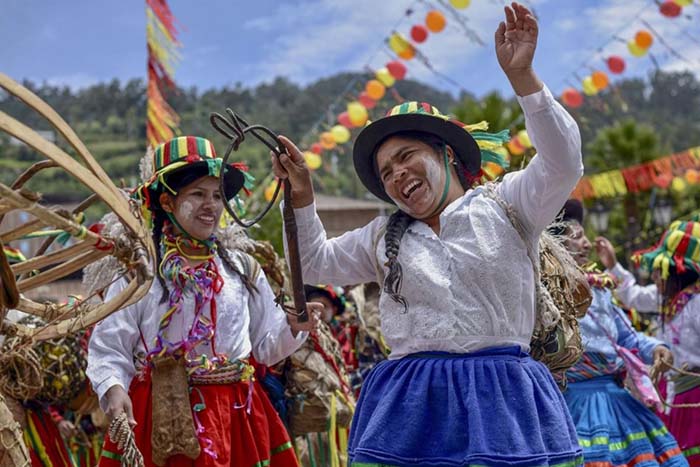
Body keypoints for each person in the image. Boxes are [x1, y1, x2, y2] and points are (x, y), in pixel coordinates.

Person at [272, 3, 587, 465]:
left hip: (505, 402)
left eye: (407, 156)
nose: (397, 175)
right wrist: (301, 194)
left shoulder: (509, 204)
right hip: (410, 410)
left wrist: (524, 79)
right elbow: (315, 262)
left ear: (445, 154)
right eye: (386, 172)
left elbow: (563, 162)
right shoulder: (381, 237)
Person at [86, 136, 320, 467]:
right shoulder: (140, 274)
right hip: (160, 412)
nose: (210, 205)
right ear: (167, 202)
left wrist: (295, 327)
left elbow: (267, 347)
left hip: (237, 414)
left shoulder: (242, 269)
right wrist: (113, 388)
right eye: (197, 194)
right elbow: (109, 347)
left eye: (216, 196)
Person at [555, 199, 687, 467]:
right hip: (575, 403)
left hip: (618, 399)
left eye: (586, 238)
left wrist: (657, 349)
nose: (587, 245)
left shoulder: (600, 290)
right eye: (578, 238)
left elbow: (627, 339)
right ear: (554, 246)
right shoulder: (546, 295)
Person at [633, 217, 700, 467]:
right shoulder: (673, 302)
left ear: (676, 273)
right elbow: (633, 296)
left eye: (659, 270)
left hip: (694, 395)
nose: (653, 275)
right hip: (674, 396)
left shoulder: (696, 304)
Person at [595, 236, 660, 312]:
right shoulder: (661, 295)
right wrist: (612, 266)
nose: (653, 277)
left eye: (661, 270)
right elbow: (631, 296)